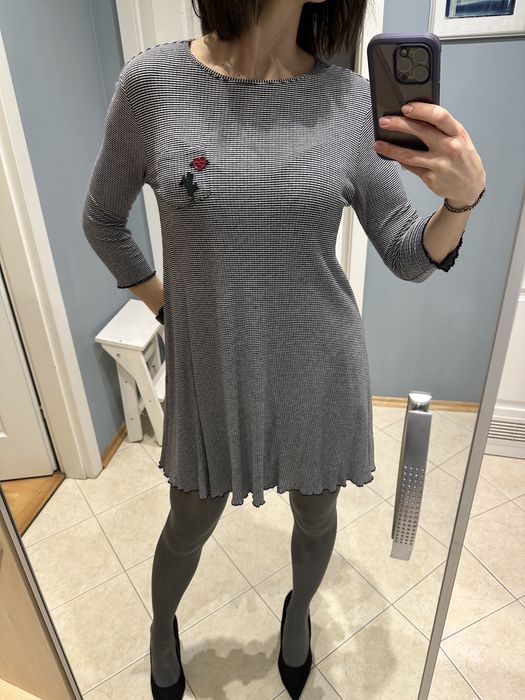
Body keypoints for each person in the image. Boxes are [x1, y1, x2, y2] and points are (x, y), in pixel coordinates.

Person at [82, 1, 486, 697]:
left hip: (318, 362)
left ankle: (297, 614)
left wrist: (460, 203)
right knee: (189, 520)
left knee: (316, 512)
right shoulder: (152, 84)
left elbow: (405, 252)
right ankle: (160, 625)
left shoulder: (348, 102)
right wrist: (169, 308)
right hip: (215, 367)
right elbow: (102, 220)